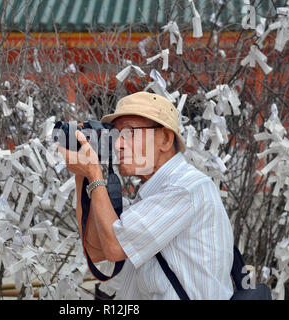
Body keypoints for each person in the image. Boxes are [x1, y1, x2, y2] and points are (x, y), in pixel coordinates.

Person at [57, 91, 234, 300]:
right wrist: (82, 174)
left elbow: (114, 247)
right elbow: (97, 250)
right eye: (114, 134)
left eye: (129, 133)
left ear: (166, 139)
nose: (117, 144)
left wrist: (94, 173)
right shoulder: (154, 193)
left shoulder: (185, 188)